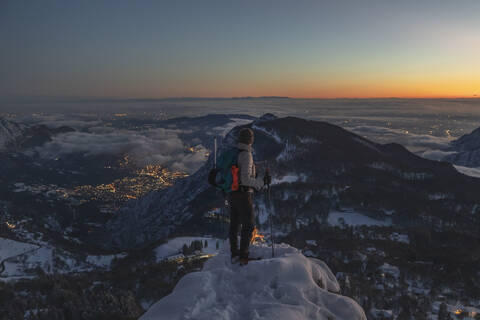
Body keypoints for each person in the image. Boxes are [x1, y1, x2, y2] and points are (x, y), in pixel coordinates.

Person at [229, 128, 271, 265]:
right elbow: (246, 179)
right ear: (250, 140)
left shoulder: (235, 152)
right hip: (242, 194)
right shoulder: (246, 155)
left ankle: (234, 253)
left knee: (234, 224)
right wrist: (260, 183)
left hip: (231, 193)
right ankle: (244, 256)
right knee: (249, 225)